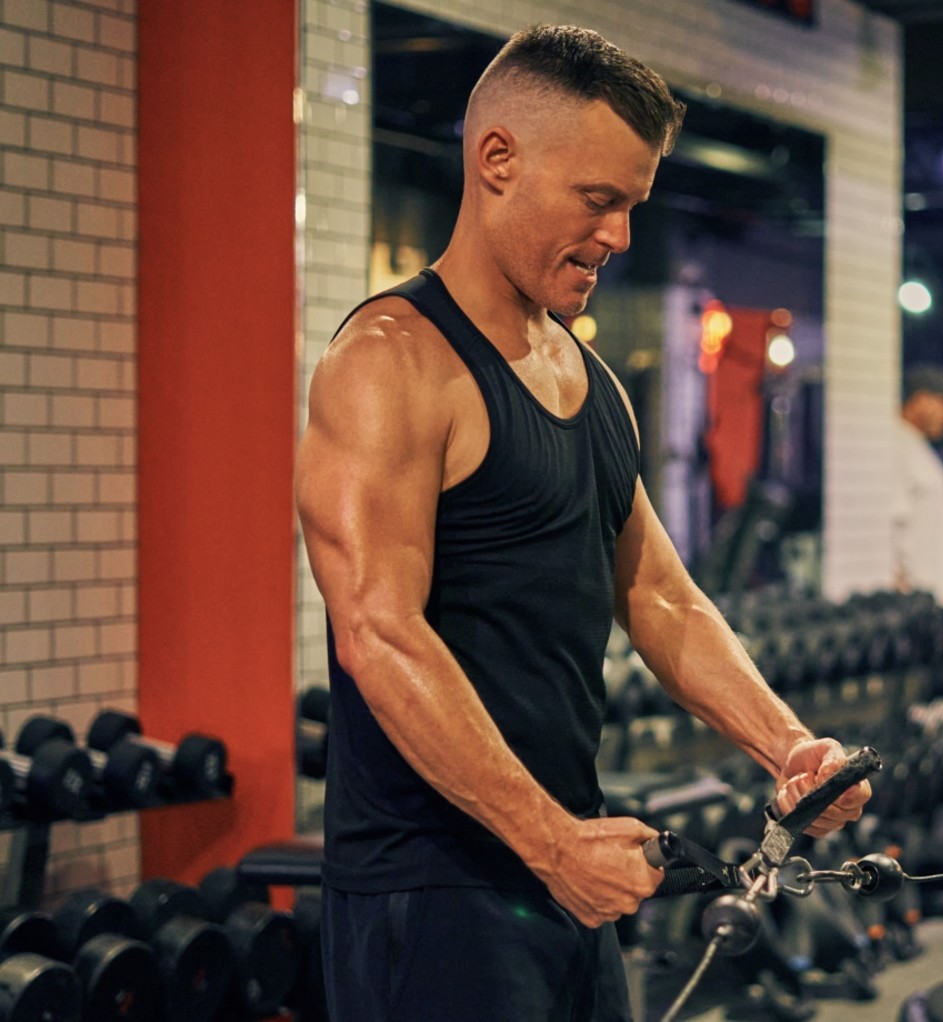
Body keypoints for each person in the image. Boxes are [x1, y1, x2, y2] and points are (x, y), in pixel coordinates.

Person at [295, 24, 870, 1022]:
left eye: (632, 205)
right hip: (433, 889)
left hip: (563, 872)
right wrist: (550, 839)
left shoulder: (585, 375)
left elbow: (658, 593)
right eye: (598, 201)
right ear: (498, 161)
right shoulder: (393, 361)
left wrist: (787, 748)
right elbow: (379, 632)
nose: (619, 236)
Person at [893, 364, 943, 608]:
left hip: (934, 601)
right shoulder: (895, 445)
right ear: (920, 399)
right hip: (916, 603)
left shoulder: (915, 446)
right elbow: (891, 524)